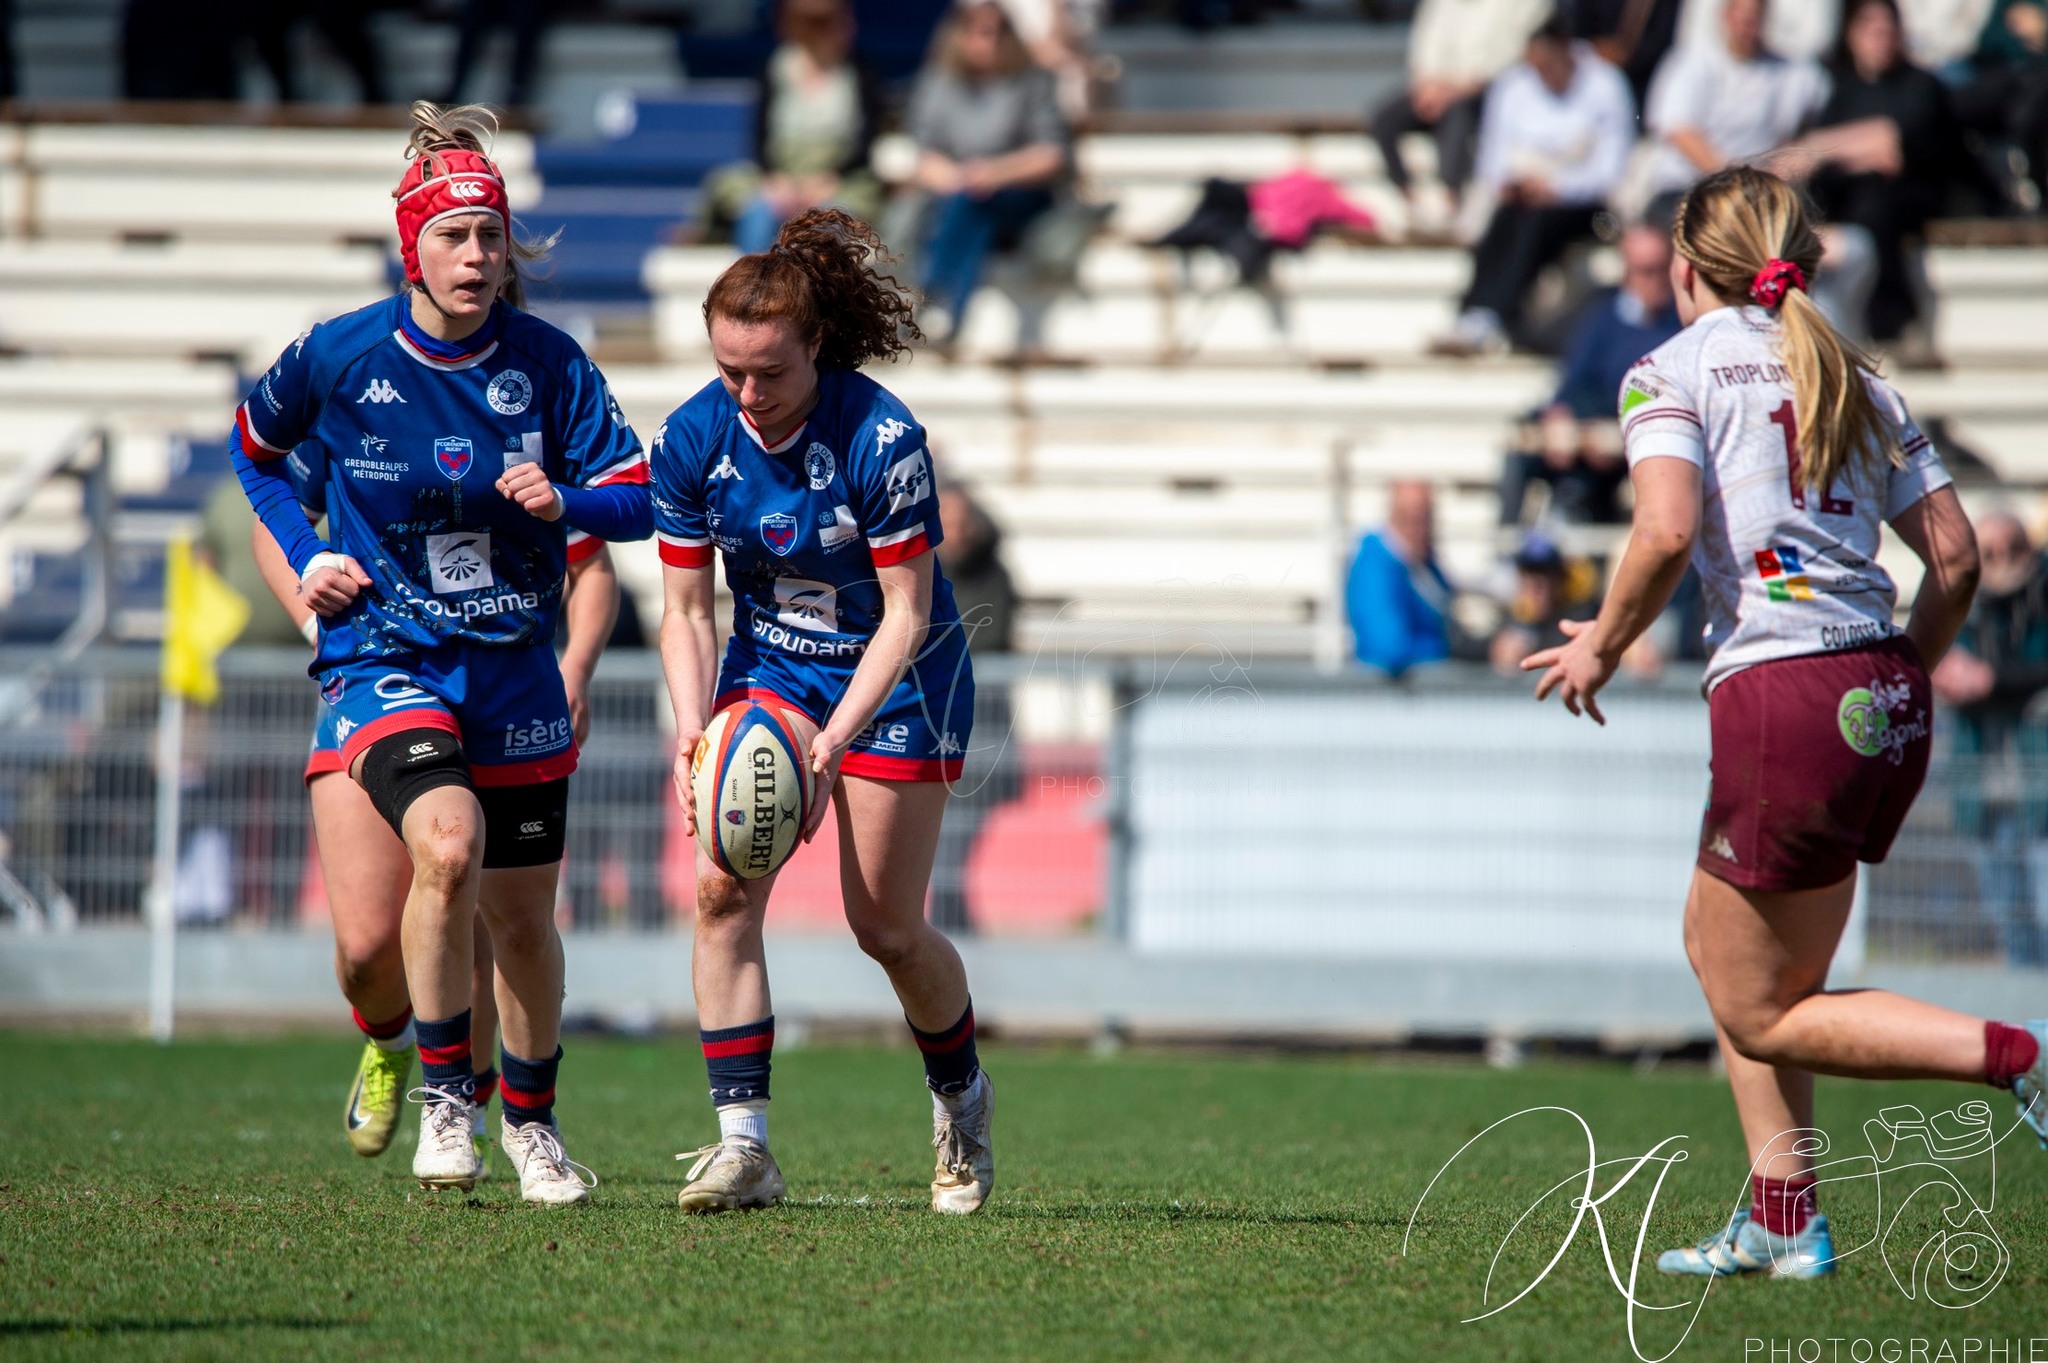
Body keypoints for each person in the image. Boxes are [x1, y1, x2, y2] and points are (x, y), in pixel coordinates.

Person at [1522, 164, 2045, 1279]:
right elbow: (1950, 558)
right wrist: (1900, 673)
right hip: (1878, 691)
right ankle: (1781, 1217)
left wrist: (1596, 645)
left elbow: (1662, 534)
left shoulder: (1667, 371)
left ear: (1683, 265)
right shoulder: (1856, 373)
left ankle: (2011, 1056)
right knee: (1741, 968)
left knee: (1754, 1005)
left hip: (1784, 694)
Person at [229, 101, 651, 1204]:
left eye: (492, 236)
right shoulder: (342, 352)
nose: (476, 256)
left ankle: (536, 1124)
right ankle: (439, 1096)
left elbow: (639, 493)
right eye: (455, 237)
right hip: (384, 657)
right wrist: (304, 552)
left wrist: (567, 501)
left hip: (511, 666)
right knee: (426, 876)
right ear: (411, 244)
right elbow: (254, 449)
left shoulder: (550, 366)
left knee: (517, 920)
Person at [653, 208, 994, 1216]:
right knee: (719, 893)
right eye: (729, 371)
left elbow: (907, 614)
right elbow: (683, 609)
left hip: (895, 685)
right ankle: (743, 1146)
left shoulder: (881, 439)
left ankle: (961, 1098)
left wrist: (825, 749)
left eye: (770, 373)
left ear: (815, 349)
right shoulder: (691, 436)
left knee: (883, 926)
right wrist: (694, 727)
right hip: (770, 674)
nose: (748, 395)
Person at [247, 436, 622, 1166]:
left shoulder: (532, 416)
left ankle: (465, 1111)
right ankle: (388, 1040)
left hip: (500, 688)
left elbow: (592, 564)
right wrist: (314, 611)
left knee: (468, 890)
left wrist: (575, 666)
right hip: (377, 680)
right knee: (366, 949)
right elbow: (274, 509)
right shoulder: (366, 387)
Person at [1433, 19, 1638, 355]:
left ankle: (1501, 311)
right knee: (1506, 216)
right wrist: (1514, 184)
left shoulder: (1605, 84)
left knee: (1535, 221)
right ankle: (1476, 309)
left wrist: (1557, 187)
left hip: (1593, 208)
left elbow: (1613, 168)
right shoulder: (1513, 85)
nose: (1542, 75)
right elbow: (1493, 158)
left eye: (1549, 66)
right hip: (1525, 197)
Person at [1786, 0, 1963, 344]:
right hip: (1843, 203)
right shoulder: (1840, 90)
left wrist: (1822, 147)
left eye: (1887, 30)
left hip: (1906, 198)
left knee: (1875, 203)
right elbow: (1804, 158)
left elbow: (1889, 148)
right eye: (1870, 29)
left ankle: (1894, 323)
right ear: (1851, 35)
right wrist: (1843, 149)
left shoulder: (1919, 85)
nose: (1879, 38)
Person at [896, 0, 1070, 343]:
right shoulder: (938, 82)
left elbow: (1052, 155)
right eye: (976, 33)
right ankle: (942, 310)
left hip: (1021, 195)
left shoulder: (1032, 81)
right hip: (958, 196)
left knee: (969, 203)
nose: (985, 42)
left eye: (994, 33)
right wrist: (957, 178)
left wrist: (995, 172)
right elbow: (921, 153)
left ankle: (935, 300)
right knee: (965, 209)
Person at [1500, 220, 1684, 524]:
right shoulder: (1601, 315)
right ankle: (1508, 549)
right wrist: (1559, 412)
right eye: (1642, 271)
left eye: (1658, 269)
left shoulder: (1679, 325)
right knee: (1525, 443)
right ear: (1626, 271)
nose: (1652, 281)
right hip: (1590, 424)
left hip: (1646, 428)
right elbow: (1573, 376)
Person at [1933, 510, 2048, 967]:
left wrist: (1992, 681)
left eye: (2012, 548)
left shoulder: (2043, 596)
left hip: (2041, 793)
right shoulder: (1961, 603)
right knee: (2012, 924)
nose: (2001, 560)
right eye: (1989, 552)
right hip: (1983, 793)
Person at [704, 0, 883, 255]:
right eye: (827, 24)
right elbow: (760, 137)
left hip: (840, 182)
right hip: (782, 178)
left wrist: (828, 181)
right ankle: (755, 289)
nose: (847, 29)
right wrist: (777, 180)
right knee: (758, 213)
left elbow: (867, 141)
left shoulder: (861, 72)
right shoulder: (776, 68)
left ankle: (814, 293)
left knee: (827, 223)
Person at [1368, 0, 1553, 223]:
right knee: (1383, 118)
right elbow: (1424, 47)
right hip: (1436, 89)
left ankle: (1450, 197)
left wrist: (1452, 91)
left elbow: (1509, 60)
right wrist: (1428, 87)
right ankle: (1408, 194)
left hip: (1489, 93)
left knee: (1458, 116)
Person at [928, 483, 1018, 934]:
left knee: (945, 863)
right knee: (942, 868)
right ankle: (954, 957)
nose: (955, 530)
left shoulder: (991, 576)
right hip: (934, 739)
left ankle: (952, 958)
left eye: (963, 521)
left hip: (978, 743)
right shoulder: (922, 574)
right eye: (947, 520)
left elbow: (981, 642)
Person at [1643, 0, 1832, 209]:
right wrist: (1735, 181)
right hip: (1688, 189)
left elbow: (1809, 123)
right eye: (1741, 18)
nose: (1745, 28)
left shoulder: (1793, 74)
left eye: (1753, 20)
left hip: (1759, 196)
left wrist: (1798, 155)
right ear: (1725, 17)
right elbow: (1680, 131)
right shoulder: (1691, 63)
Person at [1346, 480, 1458, 678]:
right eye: (1409, 517)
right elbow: (1387, 647)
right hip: (1385, 699)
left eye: (1425, 518)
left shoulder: (1424, 564)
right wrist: (1457, 650)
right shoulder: (1375, 566)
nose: (1418, 527)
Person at [1487, 532, 1598, 671]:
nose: (1536, 583)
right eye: (1529, 572)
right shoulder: (1509, 619)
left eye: (1545, 573)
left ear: (1560, 579)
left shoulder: (1581, 617)